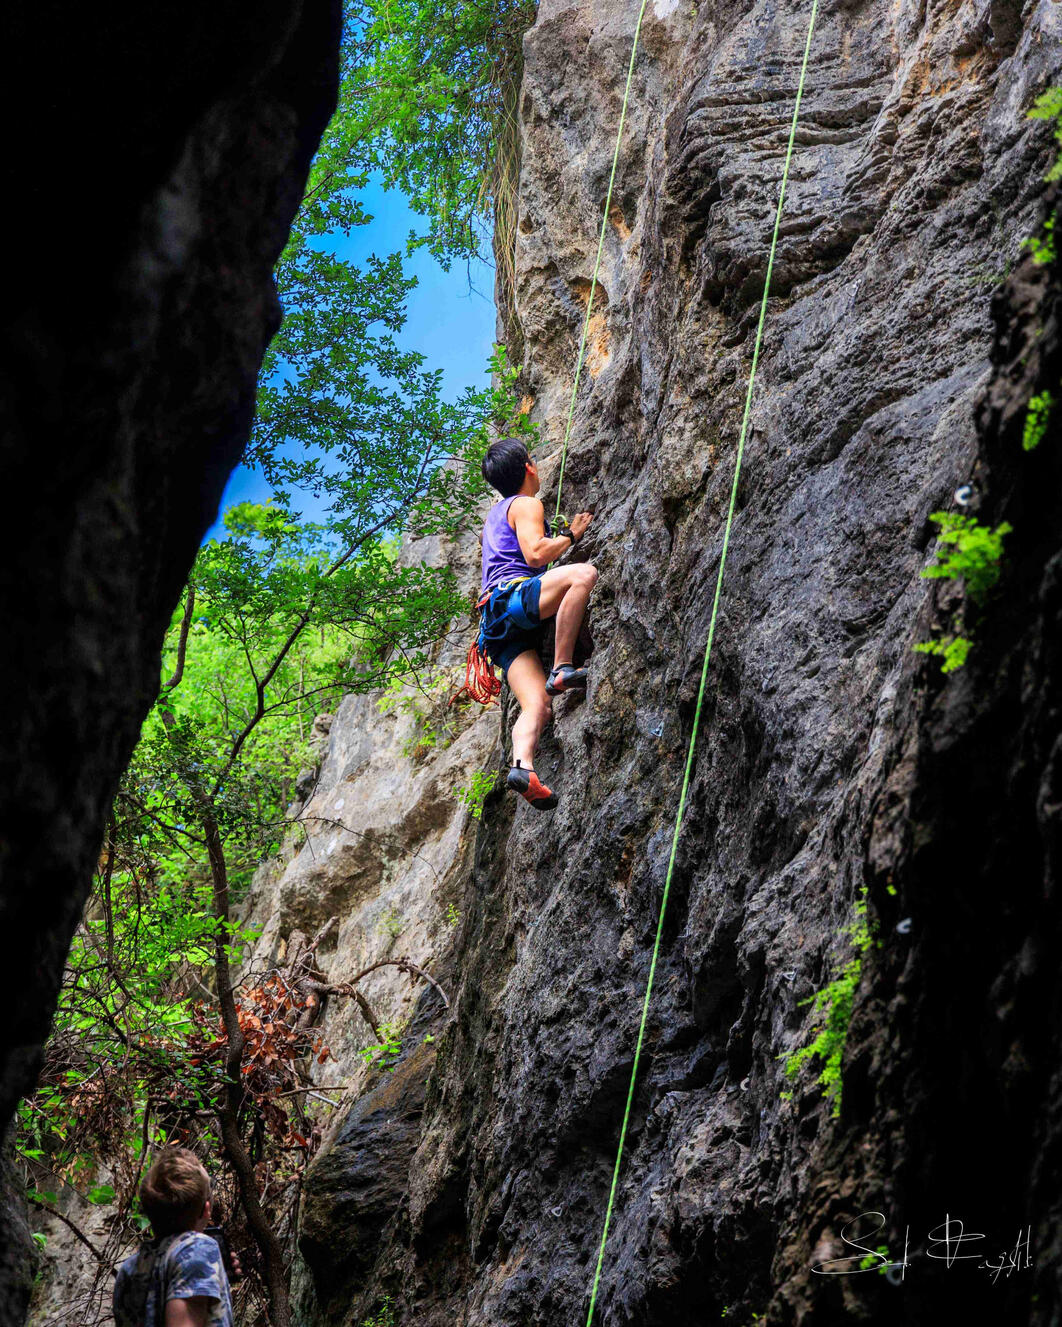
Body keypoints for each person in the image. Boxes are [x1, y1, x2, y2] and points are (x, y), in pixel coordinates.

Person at [478, 436, 598, 810]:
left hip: (495, 628)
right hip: (511, 600)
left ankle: (523, 766)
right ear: (529, 467)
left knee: (537, 705)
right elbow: (533, 554)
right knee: (583, 575)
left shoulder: (494, 516)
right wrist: (570, 535)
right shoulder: (526, 503)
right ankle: (562, 666)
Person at [114, 1148, 236, 1327]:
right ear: (206, 1209)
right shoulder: (196, 1250)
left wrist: (211, 1276)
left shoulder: (129, 1269)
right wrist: (199, 1258)